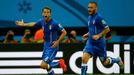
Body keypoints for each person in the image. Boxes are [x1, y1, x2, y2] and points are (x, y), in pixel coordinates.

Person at [16, 6, 67, 75]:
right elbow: (33, 24)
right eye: (44, 12)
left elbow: (64, 32)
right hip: (46, 45)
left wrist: (57, 41)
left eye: (48, 12)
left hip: (53, 46)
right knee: (45, 66)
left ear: (50, 14)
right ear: (42, 13)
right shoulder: (41, 21)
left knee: (43, 65)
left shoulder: (55, 23)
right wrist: (23, 24)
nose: (46, 14)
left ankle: (59, 63)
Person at [81, 2, 124, 75]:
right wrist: (87, 34)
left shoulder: (99, 18)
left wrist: (98, 35)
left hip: (99, 44)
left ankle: (117, 60)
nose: (89, 9)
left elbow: (107, 29)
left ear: (95, 8)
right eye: (88, 7)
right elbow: (92, 29)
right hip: (90, 43)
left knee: (105, 62)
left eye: (91, 7)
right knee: (84, 59)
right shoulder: (89, 17)